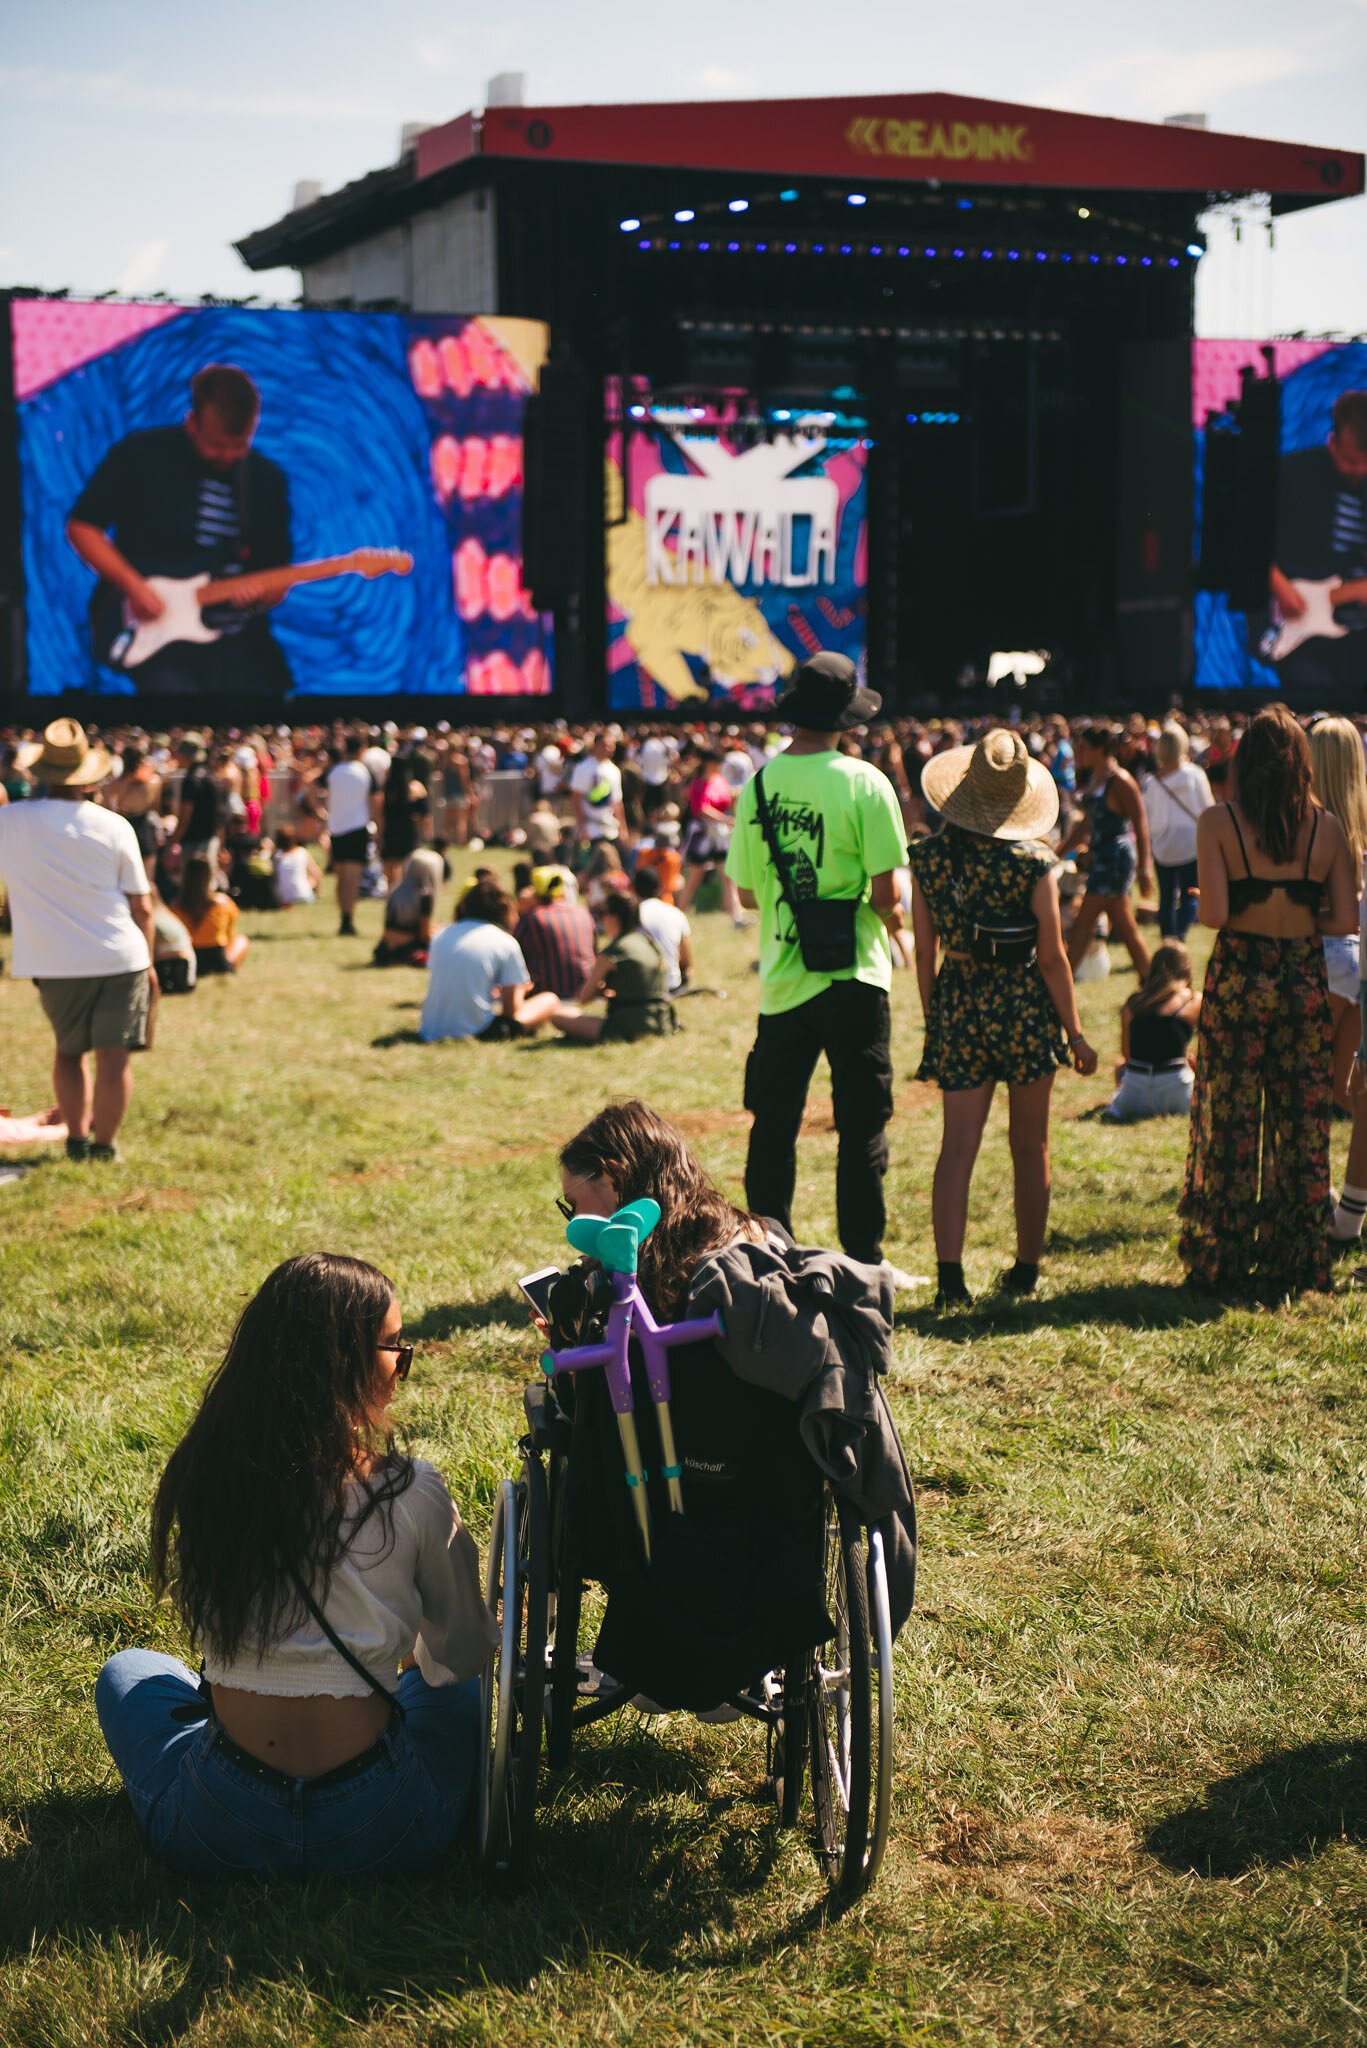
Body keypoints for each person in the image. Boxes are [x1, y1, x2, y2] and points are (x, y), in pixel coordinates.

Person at [94, 1253, 498, 1877]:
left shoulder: (208, 1476)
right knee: (456, 1687)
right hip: (383, 1828)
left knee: (131, 1671)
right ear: (346, 1361)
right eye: (395, 1346)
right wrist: (417, 1657)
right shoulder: (410, 1491)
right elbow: (465, 1654)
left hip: (220, 1824)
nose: (402, 1364)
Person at [725, 652, 907, 1267]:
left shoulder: (759, 785)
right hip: (858, 973)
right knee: (862, 1126)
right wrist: (887, 919)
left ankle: (769, 1257)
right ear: (846, 718)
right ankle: (865, 1258)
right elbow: (886, 896)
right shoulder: (867, 782)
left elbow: (749, 894)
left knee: (773, 1127)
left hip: (784, 981)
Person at [911, 729, 1098, 1307]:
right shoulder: (1034, 861)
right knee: (1030, 1144)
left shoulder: (927, 859)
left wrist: (933, 1015)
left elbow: (924, 950)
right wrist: (1076, 1033)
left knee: (957, 1145)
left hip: (960, 999)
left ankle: (949, 1276)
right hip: (1023, 1004)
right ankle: (1025, 1269)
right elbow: (1052, 955)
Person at [1180, 704, 1356, 1297]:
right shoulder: (1328, 829)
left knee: (1229, 1116)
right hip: (1302, 975)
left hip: (1240, 974)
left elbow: (1215, 915)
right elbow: (1344, 920)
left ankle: (1223, 1258)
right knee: (1302, 1119)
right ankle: (1297, 1258)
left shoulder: (1218, 822)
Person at [66, 363, 292, 699]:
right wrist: (133, 585)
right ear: (192, 422)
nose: (227, 455)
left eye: (239, 445)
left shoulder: (266, 480)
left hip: (237, 644)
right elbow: (83, 526)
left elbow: (277, 576)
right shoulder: (141, 455)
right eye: (216, 445)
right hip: (157, 638)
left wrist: (259, 597)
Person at [0, 719, 155, 1161]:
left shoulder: (8, 822)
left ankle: (74, 1142)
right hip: (119, 957)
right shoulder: (114, 826)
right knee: (114, 1057)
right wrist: (148, 963)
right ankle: (104, 1149)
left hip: (51, 960)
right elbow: (142, 907)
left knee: (69, 1053)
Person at [1265, 389, 1367, 701]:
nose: (1359, 470)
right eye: (1350, 461)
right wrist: (1278, 584)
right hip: (1299, 633)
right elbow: (1248, 539)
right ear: (1332, 442)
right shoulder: (1293, 473)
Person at [1058, 725, 1153, 978]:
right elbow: (1087, 824)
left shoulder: (1120, 780)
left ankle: (1057, 993)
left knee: (1083, 927)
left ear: (1100, 750)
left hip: (1114, 860)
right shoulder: (1095, 779)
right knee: (1125, 928)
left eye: (1084, 748)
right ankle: (1153, 982)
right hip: (1101, 858)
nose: (1079, 752)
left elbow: (1140, 822)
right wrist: (1060, 851)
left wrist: (1144, 869)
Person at [419, 876, 561, 1042]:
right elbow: (512, 1011)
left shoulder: (441, 935)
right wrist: (521, 990)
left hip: (429, 1028)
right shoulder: (505, 942)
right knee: (550, 1000)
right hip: (477, 1031)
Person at [1308, 715, 1367, 1114]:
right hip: (1357, 961)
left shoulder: (1308, 826)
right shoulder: (1358, 824)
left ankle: (1314, 1178)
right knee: (1345, 1095)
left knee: (1305, 1088)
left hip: (1319, 960)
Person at [553, 890, 677, 1043]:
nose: (601, 919)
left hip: (628, 1025)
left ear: (614, 917)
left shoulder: (612, 952)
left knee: (557, 1016)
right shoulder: (650, 944)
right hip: (661, 1021)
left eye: (602, 913)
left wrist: (602, 991)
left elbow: (584, 997)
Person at [1102, 943, 1201, 1124]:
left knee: (1119, 1066)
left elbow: (1127, 1055)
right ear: (1186, 969)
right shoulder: (1192, 999)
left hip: (1134, 1091)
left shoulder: (1134, 1003)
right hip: (1177, 1089)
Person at [1142, 725, 1213, 940]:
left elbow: (1148, 815)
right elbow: (1208, 808)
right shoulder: (1195, 774)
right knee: (1190, 893)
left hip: (1163, 846)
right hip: (1191, 843)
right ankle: (1179, 935)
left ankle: (1167, 938)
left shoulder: (1151, 781)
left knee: (1166, 897)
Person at [678, 749, 746, 925]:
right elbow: (700, 809)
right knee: (695, 878)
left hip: (720, 836)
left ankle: (736, 916)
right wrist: (725, 819)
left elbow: (725, 802)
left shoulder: (721, 781)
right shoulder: (698, 783)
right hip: (703, 835)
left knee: (728, 877)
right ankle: (679, 915)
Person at [512, 865, 597, 1000]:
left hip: (547, 993)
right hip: (587, 990)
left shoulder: (531, 918)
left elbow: (514, 958)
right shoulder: (582, 912)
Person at [327, 732, 379, 937]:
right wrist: (378, 826)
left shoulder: (334, 771)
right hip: (357, 829)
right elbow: (376, 800)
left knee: (341, 876)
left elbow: (311, 786)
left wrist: (319, 811)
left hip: (336, 829)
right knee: (352, 877)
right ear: (361, 749)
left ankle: (344, 916)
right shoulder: (364, 772)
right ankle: (347, 919)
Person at [172, 854, 249, 976]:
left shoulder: (174, 907)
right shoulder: (224, 903)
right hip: (217, 961)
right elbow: (230, 937)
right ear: (209, 876)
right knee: (242, 940)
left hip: (190, 960)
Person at [373, 846, 444, 966]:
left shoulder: (395, 891)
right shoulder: (425, 896)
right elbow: (423, 936)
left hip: (383, 949)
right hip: (409, 950)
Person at [634, 865, 693, 993]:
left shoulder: (631, 915)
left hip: (639, 987)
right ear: (660, 888)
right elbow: (686, 961)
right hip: (671, 985)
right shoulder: (676, 913)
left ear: (634, 890)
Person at [569, 731, 627, 856]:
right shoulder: (583, 768)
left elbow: (617, 802)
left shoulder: (614, 770)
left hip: (609, 828)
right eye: (605, 745)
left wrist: (622, 829)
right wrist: (582, 828)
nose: (609, 749)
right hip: (591, 828)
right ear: (595, 746)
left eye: (612, 745)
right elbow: (576, 799)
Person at [272, 823, 321, 907]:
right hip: (304, 897)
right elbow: (317, 874)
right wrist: (317, 891)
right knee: (311, 879)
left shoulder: (276, 856)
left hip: (282, 898)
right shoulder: (302, 852)